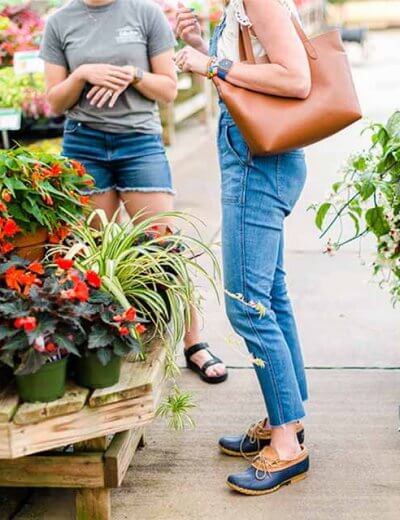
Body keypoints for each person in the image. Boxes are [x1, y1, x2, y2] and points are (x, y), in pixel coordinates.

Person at [39, 0, 227, 384]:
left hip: (139, 142)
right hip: (84, 145)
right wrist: (83, 75)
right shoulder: (59, 21)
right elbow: (55, 100)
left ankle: (194, 342)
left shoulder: (145, 14)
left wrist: (134, 75)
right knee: (94, 251)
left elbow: (169, 89)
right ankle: (104, 341)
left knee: (163, 244)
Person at [175, 0, 310, 495]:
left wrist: (210, 63)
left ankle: (287, 446)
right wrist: (199, 47)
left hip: (259, 160)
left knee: (248, 306)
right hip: (255, 154)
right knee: (269, 297)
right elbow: (251, 74)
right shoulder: (239, 5)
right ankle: (287, 419)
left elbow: (296, 79)